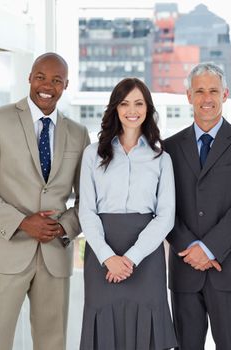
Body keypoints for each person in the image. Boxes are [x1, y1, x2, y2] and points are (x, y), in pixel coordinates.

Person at [0, 53, 90, 350]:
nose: (47, 85)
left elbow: (89, 199)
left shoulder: (78, 134)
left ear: (66, 85)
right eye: (41, 77)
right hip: (6, 252)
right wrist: (22, 222)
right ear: (29, 78)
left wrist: (63, 227)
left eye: (56, 80)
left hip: (55, 255)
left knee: (52, 343)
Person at [164, 62, 231, 350]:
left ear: (225, 94)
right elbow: (165, 207)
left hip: (230, 268)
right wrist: (190, 249)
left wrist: (207, 249)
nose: (206, 98)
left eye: (213, 91)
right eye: (199, 91)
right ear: (188, 96)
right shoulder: (169, 147)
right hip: (185, 268)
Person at [78, 77, 177, 350]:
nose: (132, 110)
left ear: (147, 108)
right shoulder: (92, 155)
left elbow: (166, 215)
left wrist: (131, 258)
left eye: (138, 103)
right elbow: (85, 210)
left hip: (146, 254)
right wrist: (108, 257)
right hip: (102, 254)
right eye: (124, 103)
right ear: (115, 108)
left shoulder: (161, 158)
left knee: (146, 332)